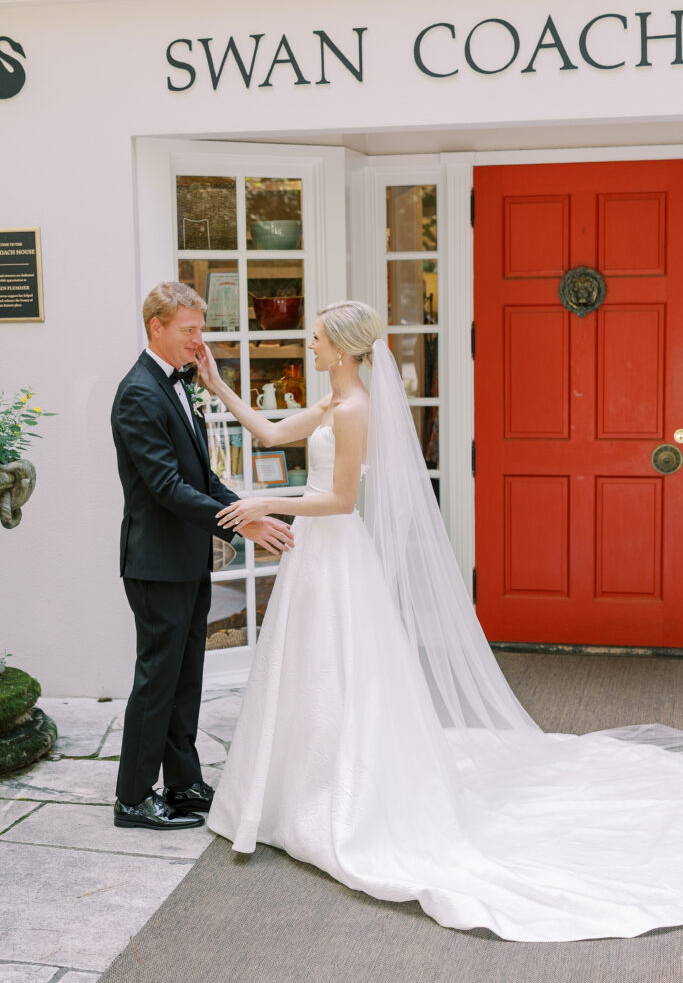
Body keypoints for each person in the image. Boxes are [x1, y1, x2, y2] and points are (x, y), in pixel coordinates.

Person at [196, 300, 683, 941]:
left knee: (338, 668)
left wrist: (267, 499)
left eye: (314, 340)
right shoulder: (330, 402)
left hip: (336, 552)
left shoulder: (355, 410)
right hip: (313, 557)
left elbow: (340, 499)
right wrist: (219, 385)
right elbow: (270, 433)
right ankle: (293, 788)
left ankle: (339, 794)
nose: (307, 347)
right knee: (307, 668)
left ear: (341, 350)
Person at [111, 282, 294, 831]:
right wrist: (244, 521)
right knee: (157, 680)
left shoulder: (177, 385)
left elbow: (204, 478)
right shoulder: (139, 392)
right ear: (156, 328)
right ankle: (134, 797)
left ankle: (184, 782)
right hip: (156, 563)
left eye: (200, 328)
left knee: (187, 675)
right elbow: (166, 486)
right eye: (189, 330)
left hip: (187, 559)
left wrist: (245, 509)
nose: (199, 339)